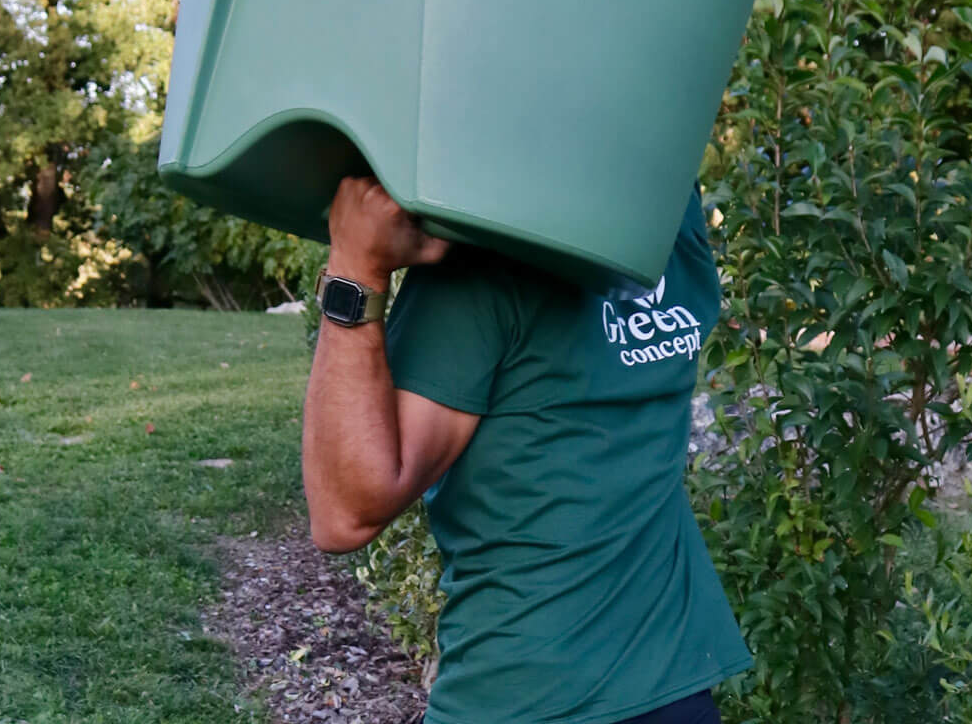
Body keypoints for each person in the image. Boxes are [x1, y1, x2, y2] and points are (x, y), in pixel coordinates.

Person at [302, 175, 751, 724]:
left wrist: (354, 268)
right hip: (671, 687)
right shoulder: (669, 203)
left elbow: (343, 512)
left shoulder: (486, 256)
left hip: (531, 699)